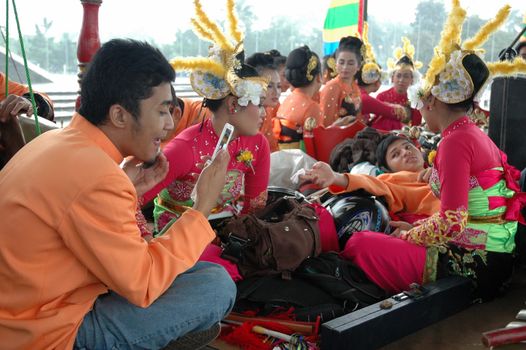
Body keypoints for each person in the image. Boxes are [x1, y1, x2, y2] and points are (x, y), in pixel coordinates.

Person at [0, 38, 236, 349]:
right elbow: (143, 284)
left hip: (25, 312)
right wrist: (202, 206)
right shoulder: (95, 175)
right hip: (45, 333)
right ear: (120, 115)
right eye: (163, 111)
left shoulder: (58, 143)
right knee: (214, 286)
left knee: (198, 274)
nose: (169, 124)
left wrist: (129, 189)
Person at [322, 2, 525, 300]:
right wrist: (417, 228)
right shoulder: (470, 133)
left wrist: (410, 236)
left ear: (432, 100)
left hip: (474, 264)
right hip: (493, 257)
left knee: (361, 243)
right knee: (392, 231)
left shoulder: (455, 142)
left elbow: (452, 221)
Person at [142, 0, 271, 233]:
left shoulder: (257, 143)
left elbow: (254, 208)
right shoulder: (184, 148)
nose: (264, 112)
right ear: (234, 103)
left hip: (227, 234)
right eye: (259, 103)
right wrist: (146, 240)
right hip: (177, 237)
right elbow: (132, 200)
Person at [274, 45, 323, 150]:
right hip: (302, 163)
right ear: (319, 77)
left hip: (282, 160)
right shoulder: (312, 107)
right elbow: (317, 146)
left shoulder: (287, 100)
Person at [371, 37, 422, 131]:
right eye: (398, 76)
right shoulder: (381, 96)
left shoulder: (415, 100)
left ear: (412, 79)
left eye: (406, 76)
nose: (401, 80)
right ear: (392, 78)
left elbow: (416, 126)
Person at [319, 36, 364, 127]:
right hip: (335, 138)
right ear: (335, 64)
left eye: (350, 63)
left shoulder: (355, 87)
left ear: (358, 66)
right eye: (341, 62)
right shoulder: (332, 87)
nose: (345, 67)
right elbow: (325, 125)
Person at [246, 52, 282, 152]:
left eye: (278, 86)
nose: (276, 92)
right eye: (269, 86)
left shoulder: (266, 112)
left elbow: (272, 151)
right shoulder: (239, 113)